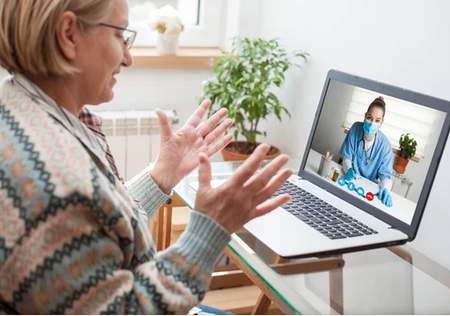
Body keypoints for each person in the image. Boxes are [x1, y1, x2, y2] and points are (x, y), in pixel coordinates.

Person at [0, 0, 293, 314]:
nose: (128, 58)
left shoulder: (20, 103)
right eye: (120, 36)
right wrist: (209, 229)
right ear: (69, 34)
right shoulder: (55, 183)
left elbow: (96, 226)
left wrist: (161, 175)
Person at [339, 96, 394, 207]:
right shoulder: (355, 129)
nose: (372, 123)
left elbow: (386, 177)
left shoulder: (385, 146)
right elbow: (347, 158)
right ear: (365, 117)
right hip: (351, 182)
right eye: (370, 118)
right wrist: (348, 169)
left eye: (377, 120)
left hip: (368, 191)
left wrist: (386, 189)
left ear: (381, 122)